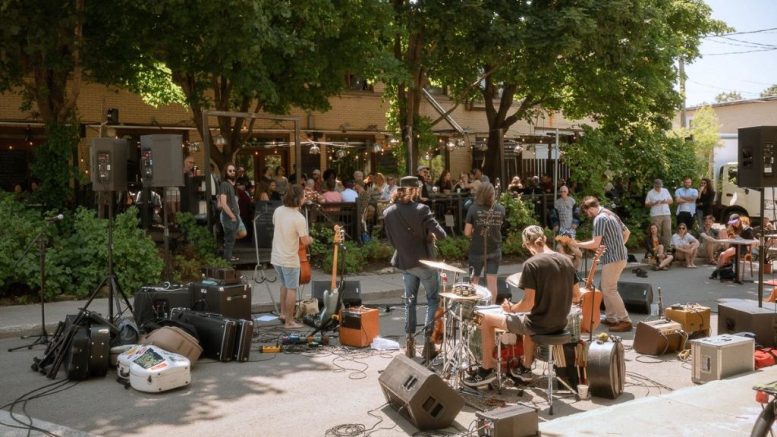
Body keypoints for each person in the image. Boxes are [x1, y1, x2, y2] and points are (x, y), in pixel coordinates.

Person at [463, 225, 578, 387]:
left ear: (527, 244)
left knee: (486, 318)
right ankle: (525, 368)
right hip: (559, 323)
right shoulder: (567, 261)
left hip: (539, 324)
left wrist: (510, 308)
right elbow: (577, 296)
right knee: (529, 317)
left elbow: (527, 304)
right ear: (544, 239)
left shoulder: (532, 264)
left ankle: (486, 370)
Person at [383, 176, 447, 360]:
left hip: (405, 262)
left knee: (409, 301)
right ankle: (428, 344)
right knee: (432, 299)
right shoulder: (422, 209)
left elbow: (392, 241)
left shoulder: (389, 212)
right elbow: (441, 235)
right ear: (416, 190)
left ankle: (409, 343)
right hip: (425, 263)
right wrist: (428, 237)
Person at [573, 196, 632, 332]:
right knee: (607, 288)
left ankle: (625, 320)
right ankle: (611, 318)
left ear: (591, 208)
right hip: (620, 257)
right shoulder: (611, 214)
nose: (588, 215)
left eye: (587, 212)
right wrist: (619, 246)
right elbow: (627, 232)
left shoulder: (599, 219)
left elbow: (595, 243)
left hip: (613, 259)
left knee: (610, 289)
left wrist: (576, 243)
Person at [271, 185, 312, 329]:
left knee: (284, 285)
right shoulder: (298, 218)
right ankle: (289, 322)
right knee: (292, 289)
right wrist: (311, 239)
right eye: (304, 196)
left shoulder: (278, 211)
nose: (305, 198)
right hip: (289, 258)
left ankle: (283, 314)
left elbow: (276, 225)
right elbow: (305, 241)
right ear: (299, 199)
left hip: (276, 256)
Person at [464, 183, 505, 303]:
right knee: (492, 281)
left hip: (477, 249)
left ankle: (473, 308)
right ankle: (491, 308)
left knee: (474, 281)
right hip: (495, 249)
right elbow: (499, 227)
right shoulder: (500, 209)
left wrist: (475, 235)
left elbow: (467, 232)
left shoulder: (473, 208)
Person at [218, 163, 242, 263]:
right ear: (226, 172)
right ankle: (227, 262)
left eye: (233, 170)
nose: (232, 172)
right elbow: (223, 203)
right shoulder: (224, 184)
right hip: (229, 217)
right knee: (229, 241)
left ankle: (228, 259)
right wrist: (232, 216)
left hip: (234, 216)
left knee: (231, 240)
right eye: (230, 171)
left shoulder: (230, 185)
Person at [645, 178, 673, 249]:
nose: (658, 187)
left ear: (661, 185)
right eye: (657, 186)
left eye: (659, 186)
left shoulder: (665, 190)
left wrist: (664, 201)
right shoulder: (650, 192)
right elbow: (646, 204)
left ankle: (667, 248)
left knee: (668, 231)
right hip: (655, 215)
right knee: (656, 232)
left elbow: (671, 201)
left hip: (666, 214)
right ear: (654, 185)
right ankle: (657, 248)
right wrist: (654, 203)